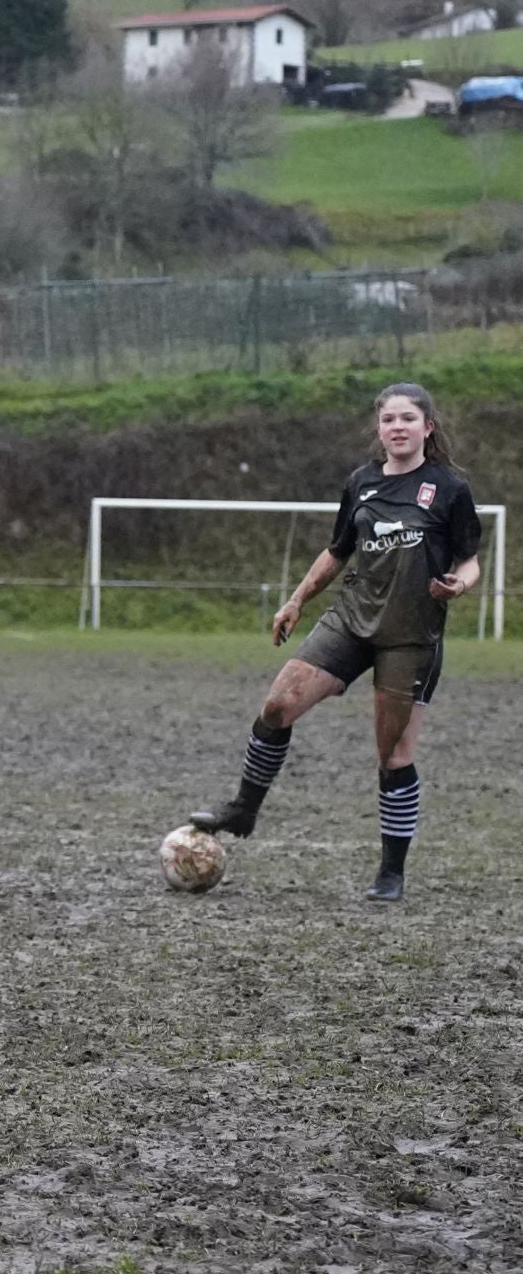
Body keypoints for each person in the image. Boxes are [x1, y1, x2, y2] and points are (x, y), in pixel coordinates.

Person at [192, 381, 481, 901]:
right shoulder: (362, 483)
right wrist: (296, 600)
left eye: (408, 419)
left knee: (393, 754)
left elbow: (469, 559)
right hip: (349, 622)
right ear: (379, 428)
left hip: (410, 637)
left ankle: (391, 873)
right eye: (389, 419)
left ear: (427, 428)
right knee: (279, 704)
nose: (398, 427)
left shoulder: (448, 490)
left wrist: (458, 584)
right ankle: (243, 809)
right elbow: (338, 550)